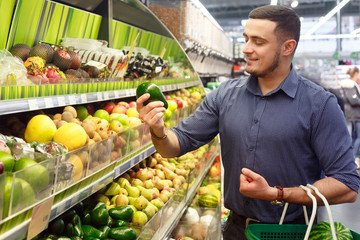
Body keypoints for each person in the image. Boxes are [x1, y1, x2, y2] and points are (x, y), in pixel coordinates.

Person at [137, 5, 360, 240]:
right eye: (245, 39)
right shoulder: (224, 96)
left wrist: (277, 193)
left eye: (258, 42)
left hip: (294, 231)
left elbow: (346, 185)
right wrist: (159, 130)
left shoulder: (320, 104)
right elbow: (175, 145)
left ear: (288, 47)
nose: (246, 49)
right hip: (236, 230)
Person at [341, 66, 360, 167]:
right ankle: (352, 159)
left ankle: (351, 159)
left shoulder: (351, 85)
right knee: (357, 137)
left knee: (353, 137)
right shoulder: (349, 85)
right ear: (356, 73)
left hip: (353, 114)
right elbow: (354, 100)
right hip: (354, 115)